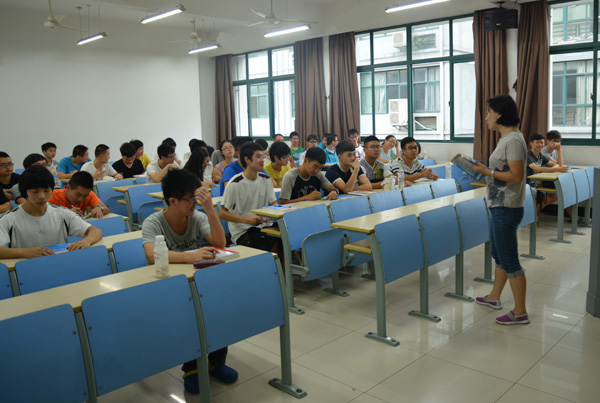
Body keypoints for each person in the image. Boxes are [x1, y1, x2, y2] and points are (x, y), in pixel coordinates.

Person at [141, 169, 236, 393]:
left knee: (218, 310)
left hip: (197, 283)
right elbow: (151, 255)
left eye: (197, 198)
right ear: (172, 201)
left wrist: (210, 209)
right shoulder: (153, 222)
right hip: (168, 286)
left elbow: (220, 244)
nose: (195, 204)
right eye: (190, 199)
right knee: (188, 318)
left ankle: (216, 363)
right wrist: (190, 256)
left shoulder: (197, 216)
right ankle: (191, 369)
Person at [472, 94, 529, 325]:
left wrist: (488, 172)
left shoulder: (513, 140)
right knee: (499, 254)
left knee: (510, 259)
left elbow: (516, 176)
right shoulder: (506, 138)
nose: (486, 117)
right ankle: (494, 296)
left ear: (499, 114)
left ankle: (520, 311)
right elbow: (503, 170)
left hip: (506, 207)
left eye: (488, 112)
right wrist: (485, 171)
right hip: (498, 204)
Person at [0, 165, 102, 259]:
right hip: (27, 267)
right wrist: (24, 252)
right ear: (24, 192)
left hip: (59, 264)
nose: (41, 196)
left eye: (46, 190)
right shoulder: (8, 219)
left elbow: (96, 231)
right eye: (35, 192)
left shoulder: (62, 213)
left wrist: (86, 241)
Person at [219, 142, 279, 251]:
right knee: (264, 243)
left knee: (285, 237)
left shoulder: (266, 179)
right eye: (258, 156)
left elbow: (273, 203)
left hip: (264, 226)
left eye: (263, 156)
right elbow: (222, 213)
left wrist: (277, 213)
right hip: (243, 230)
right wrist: (247, 220)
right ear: (247, 159)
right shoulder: (235, 183)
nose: (262, 160)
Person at [526, 132, 568, 211]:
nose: (540, 145)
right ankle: (533, 215)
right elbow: (538, 169)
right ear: (531, 144)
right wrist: (557, 169)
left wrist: (559, 150)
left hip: (538, 183)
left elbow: (557, 164)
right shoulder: (527, 155)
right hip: (528, 185)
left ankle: (534, 215)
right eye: (537, 142)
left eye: (542, 142)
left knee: (561, 192)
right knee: (552, 195)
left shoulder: (540, 156)